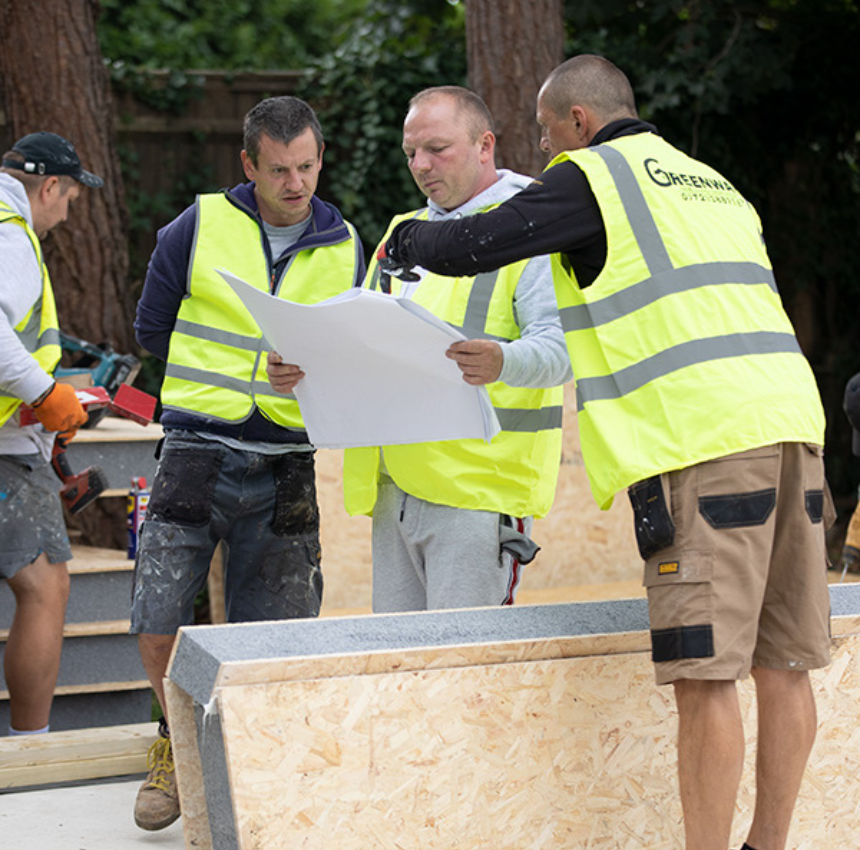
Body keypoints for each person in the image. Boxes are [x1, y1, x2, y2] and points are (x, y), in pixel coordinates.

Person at [380, 56, 831, 850]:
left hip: (703, 445)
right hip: (794, 429)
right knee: (784, 665)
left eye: (550, 140)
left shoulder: (595, 175)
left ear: (579, 124)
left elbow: (477, 241)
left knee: (707, 676)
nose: (547, 160)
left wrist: (404, 242)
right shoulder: (710, 181)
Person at [131, 96, 364, 831]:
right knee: (158, 610)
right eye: (279, 170)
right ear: (248, 166)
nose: (296, 184)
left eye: (306, 167)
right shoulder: (196, 226)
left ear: (319, 160)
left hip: (288, 460)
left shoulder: (346, 242)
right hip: (198, 448)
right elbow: (151, 328)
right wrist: (220, 378)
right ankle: (173, 741)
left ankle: (261, 770)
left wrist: (315, 372)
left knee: (282, 631)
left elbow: (353, 352)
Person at [271, 86, 570, 613]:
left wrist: (502, 360)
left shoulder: (532, 228)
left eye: (437, 148)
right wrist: (308, 369)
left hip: (478, 497)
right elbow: (363, 342)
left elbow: (560, 351)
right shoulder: (402, 234)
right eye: (411, 153)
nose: (421, 165)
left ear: (485, 145)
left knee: (467, 677)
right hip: (396, 492)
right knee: (403, 672)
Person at [0, 132, 102, 736]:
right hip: (7, 452)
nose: (66, 213)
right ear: (50, 186)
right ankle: (29, 749)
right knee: (45, 587)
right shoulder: (12, 236)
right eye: (68, 198)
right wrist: (48, 394)